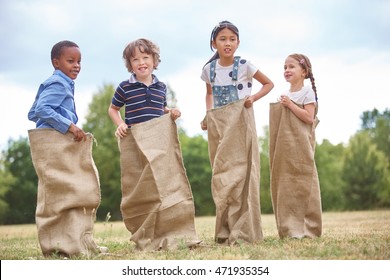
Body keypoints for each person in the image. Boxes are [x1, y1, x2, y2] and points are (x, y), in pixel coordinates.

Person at [108, 38, 200, 251]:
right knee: (143, 188)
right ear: (129, 65)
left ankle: (171, 230)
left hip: (158, 143)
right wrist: (120, 123)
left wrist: (172, 112)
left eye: (145, 57)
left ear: (154, 60)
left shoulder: (161, 86)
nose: (141, 62)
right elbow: (113, 109)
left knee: (164, 185)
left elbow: (162, 110)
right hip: (137, 144)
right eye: (135, 59)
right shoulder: (125, 87)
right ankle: (145, 232)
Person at [28, 40, 106, 257]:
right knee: (69, 191)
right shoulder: (58, 84)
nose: (77, 65)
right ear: (56, 62)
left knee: (62, 193)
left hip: (54, 141)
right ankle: (66, 244)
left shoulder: (59, 83)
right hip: (54, 143)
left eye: (79, 61)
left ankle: (74, 241)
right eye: (70, 61)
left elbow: (33, 112)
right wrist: (68, 125)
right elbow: (42, 109)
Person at [200, 21, 274, 245]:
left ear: (238, 43)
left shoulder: (245, 66)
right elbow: (209, 94)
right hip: (221, 126)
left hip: (242, 123)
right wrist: (208, 114)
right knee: (223, 174)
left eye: (232, 39)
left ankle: (245, 230)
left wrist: (252, 98)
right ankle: (225, 230)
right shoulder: (208, 70)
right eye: (222, 39)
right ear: (214, 44)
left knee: (243, 174)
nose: (227, 43)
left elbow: (269, 84)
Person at [269, 53, 322, 239]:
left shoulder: (307, 92)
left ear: (304, 72)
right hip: (285, 148)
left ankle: (309, 228)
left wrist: (290, 105)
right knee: (286, 185)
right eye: (285, 67)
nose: (287, 70)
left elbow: (309, 118)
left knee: (304, 182)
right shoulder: (284, 95)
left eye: (291, 67)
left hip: (301, 146)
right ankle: (289, 229)